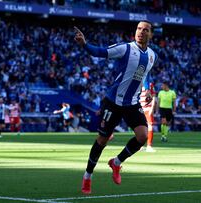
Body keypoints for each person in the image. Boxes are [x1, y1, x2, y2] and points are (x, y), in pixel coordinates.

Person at [74, 20, 157, 195]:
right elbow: (100, 52)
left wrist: (148, 90)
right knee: (102, 140)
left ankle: (117, 162)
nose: (141, 32)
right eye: (139, 29)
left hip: (132, 103)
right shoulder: (125, 48)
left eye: (146, 30)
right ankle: (88, 175)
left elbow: (145, 75)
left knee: (142, 136)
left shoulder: (152, 56)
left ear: (151, 34)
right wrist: (85, 44)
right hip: (113, 102)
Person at [140, 81, 156, 152]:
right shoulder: (137, 83)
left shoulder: (150, 84)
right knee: (140, 127)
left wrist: (152, 108)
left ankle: (149, 146)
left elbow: (153, 96)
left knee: (150, 126)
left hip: (148, 109)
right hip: (140, 108)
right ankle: (140, 146)